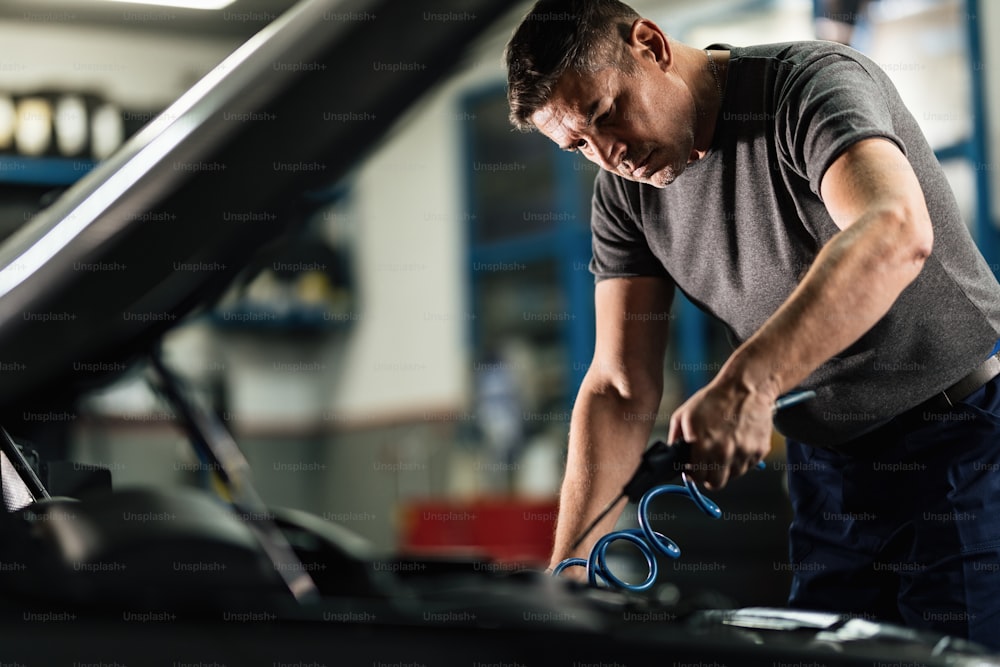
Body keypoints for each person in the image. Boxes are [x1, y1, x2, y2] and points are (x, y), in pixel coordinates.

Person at [504, 0, 1000, 648]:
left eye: (605, 112)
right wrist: (567, 579)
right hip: (829, 473)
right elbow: (619, 387)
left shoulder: (808, 86)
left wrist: (748, 385)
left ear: (650, 45)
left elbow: (894, 229)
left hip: (962, 441)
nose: (611, 153)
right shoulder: (625, 195)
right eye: (579, 145)